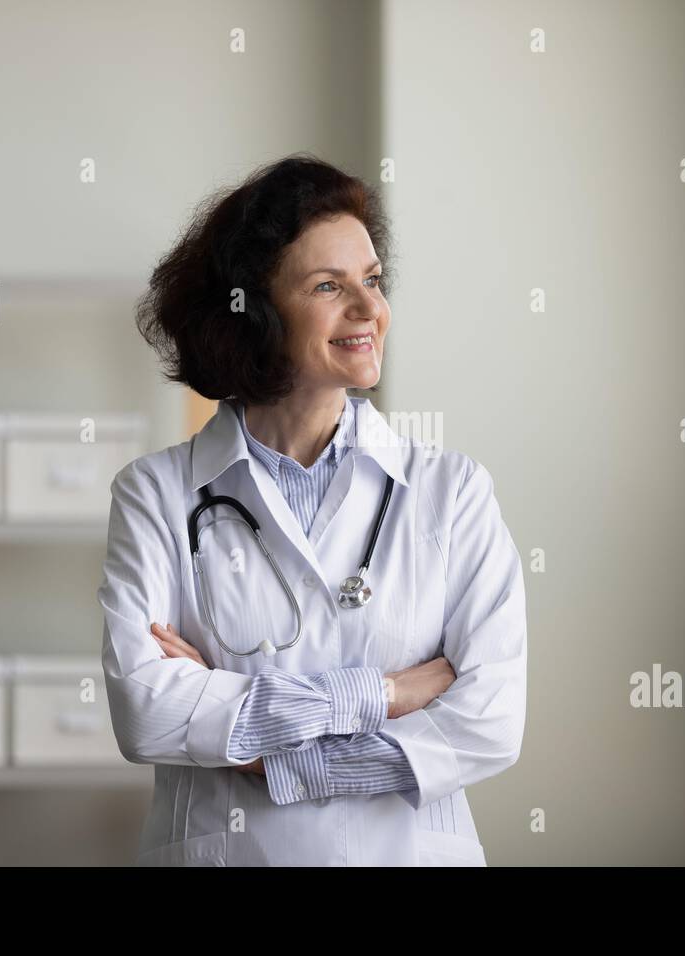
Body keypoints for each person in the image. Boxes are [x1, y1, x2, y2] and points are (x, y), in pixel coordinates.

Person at [98, 154, 527, 866]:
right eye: (329, 286)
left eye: (373, 281)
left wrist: (279, 758)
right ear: (253, 313)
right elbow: (147, 712)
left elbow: (489, 721)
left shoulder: (453, 492)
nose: (369, 310)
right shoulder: (157, 495)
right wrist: (384, 694)